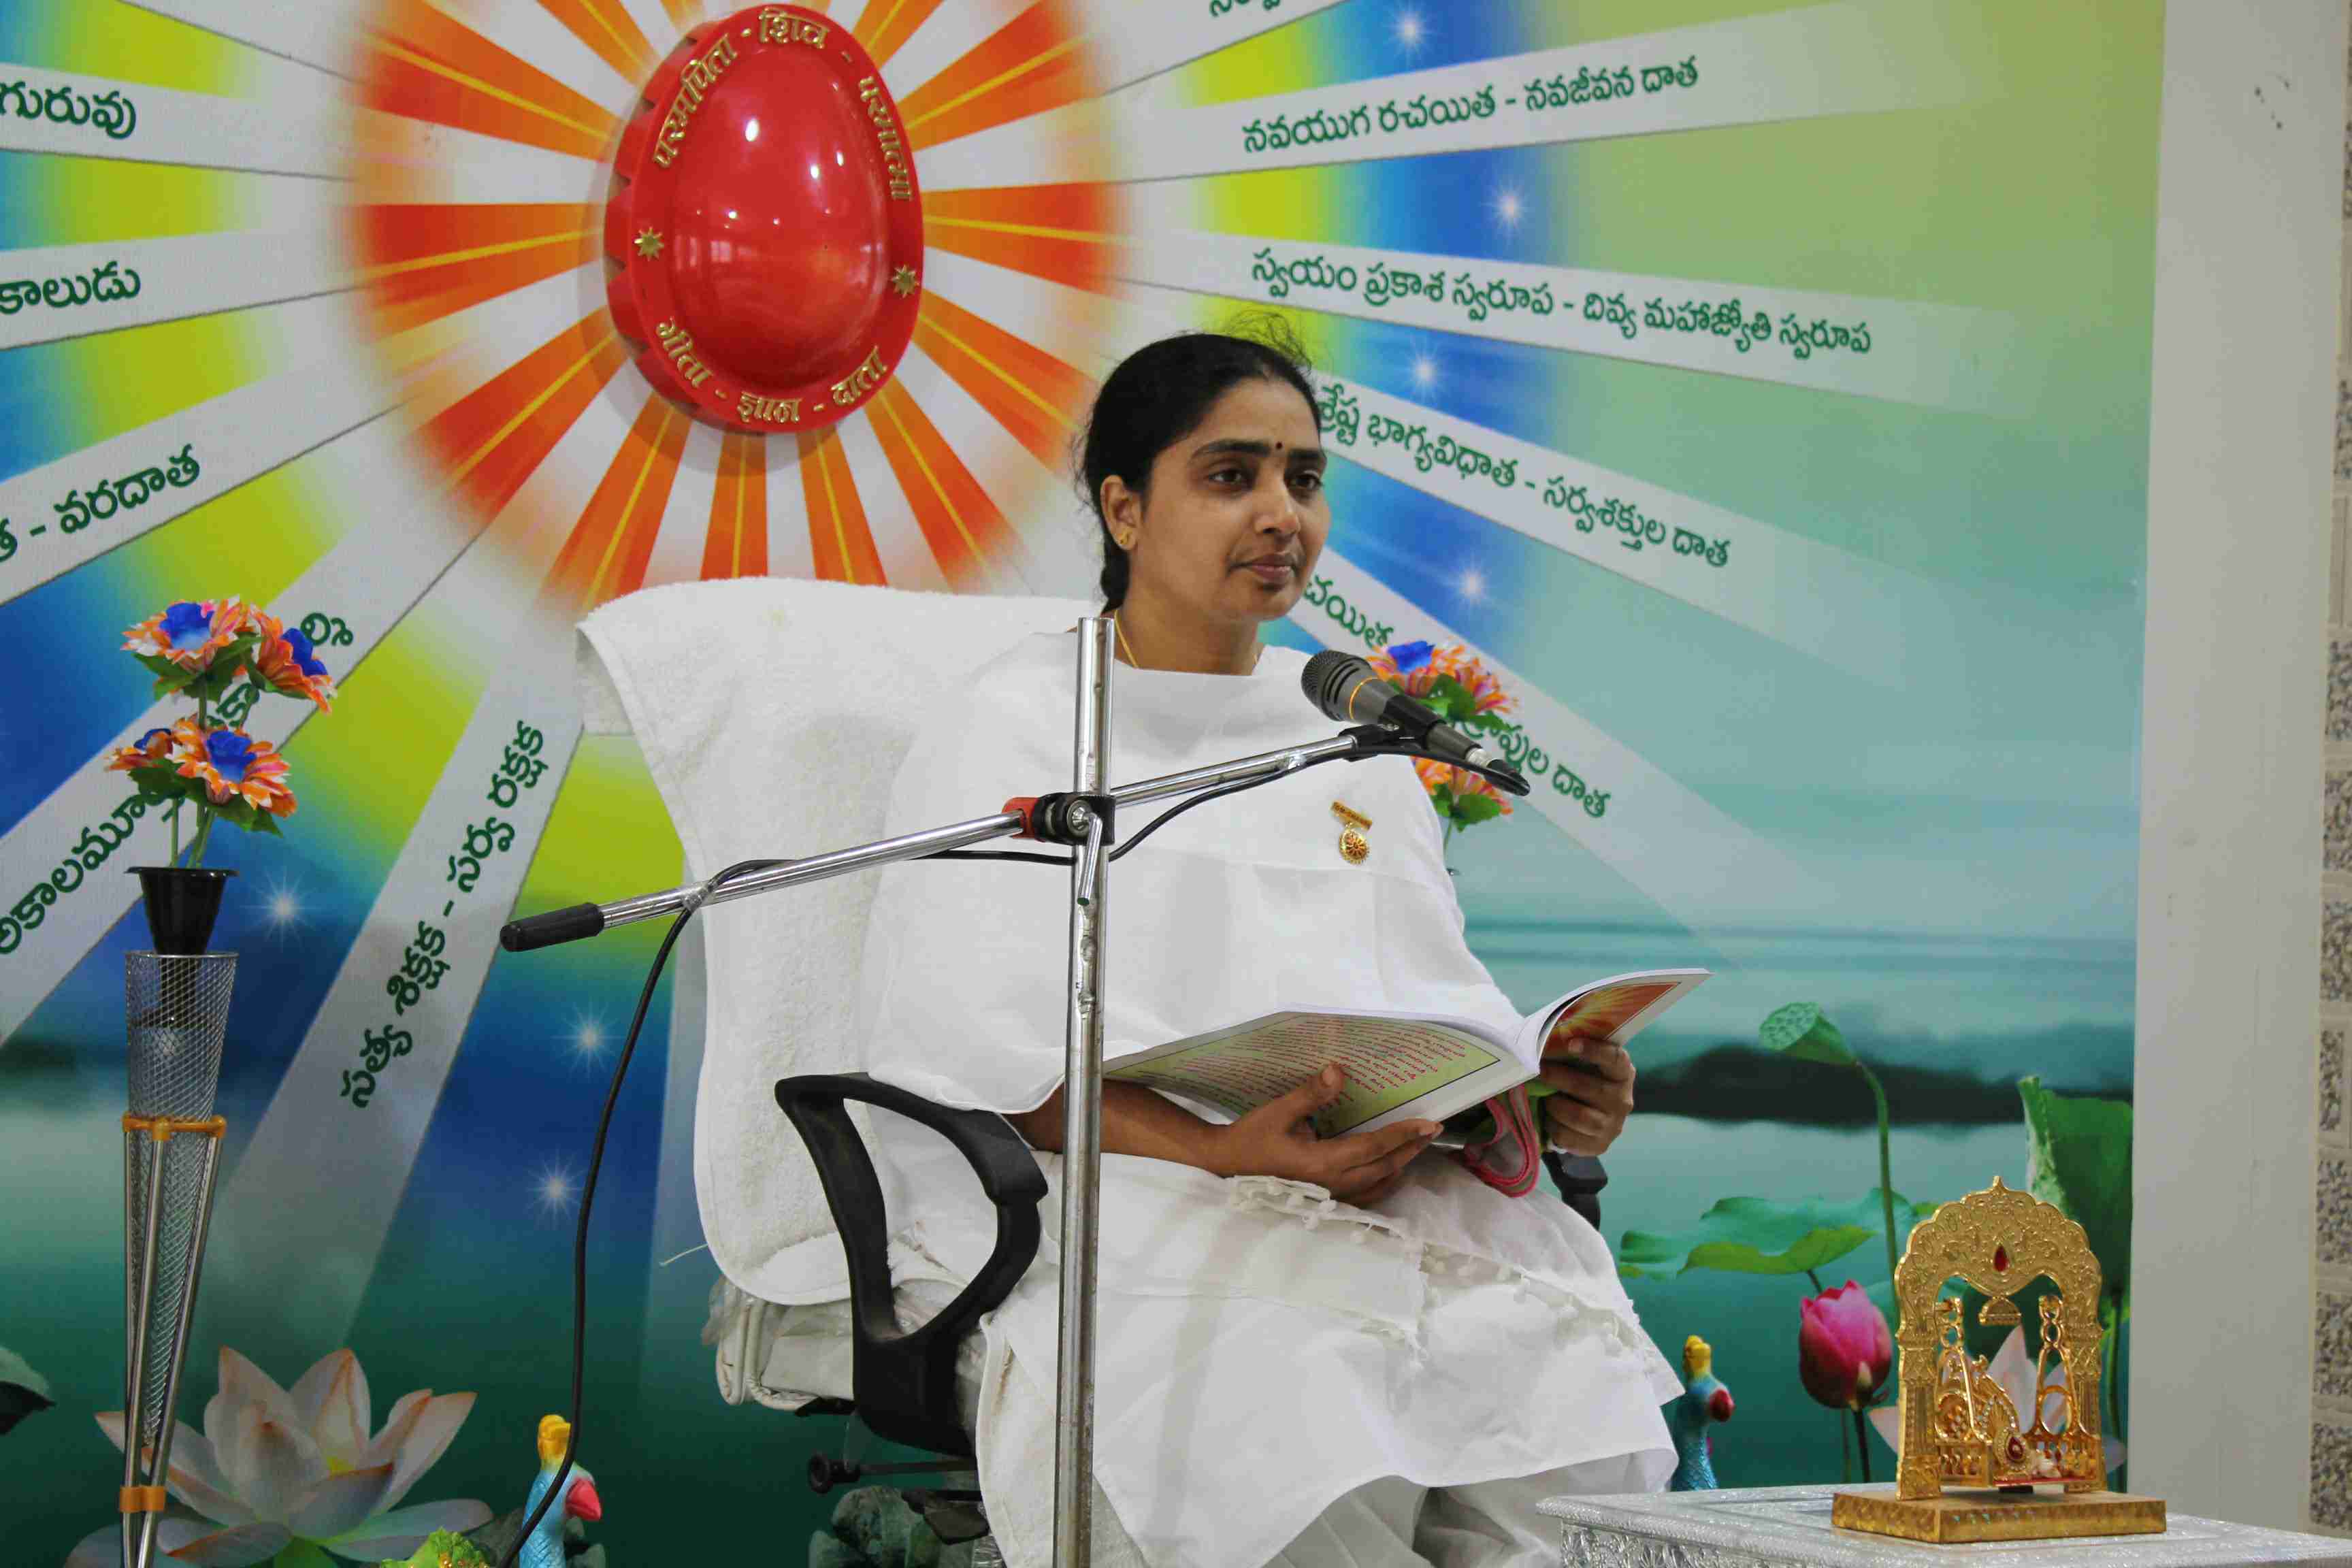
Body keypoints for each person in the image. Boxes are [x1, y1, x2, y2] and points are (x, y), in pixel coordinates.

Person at [859, 326, 1679, 1568]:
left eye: (1304, 478)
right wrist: (1220, 1150)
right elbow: (968, 1055)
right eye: (1231, 476)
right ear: (1125, 509)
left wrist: (1538, 1097)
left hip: (1363, 1183)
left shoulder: (1351, 742)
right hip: (1121, 1182)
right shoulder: (1018, 728)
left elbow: (1434, 1014)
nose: (1281, 514)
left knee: (1567, 1404)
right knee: (1299, 1406)